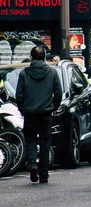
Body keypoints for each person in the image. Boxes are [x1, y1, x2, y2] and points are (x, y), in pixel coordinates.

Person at [16, 46, 62, 184]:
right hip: (46, 112)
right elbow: (58, 93)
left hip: (29, 112)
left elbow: (19, 95)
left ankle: (32, 164)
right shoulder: (52, 73)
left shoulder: (24, 73)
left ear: (31, 57)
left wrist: (23, 108)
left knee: (30, 139)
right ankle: (44, 173)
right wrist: (54, 106)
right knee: (45, 142)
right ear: (44, 57)